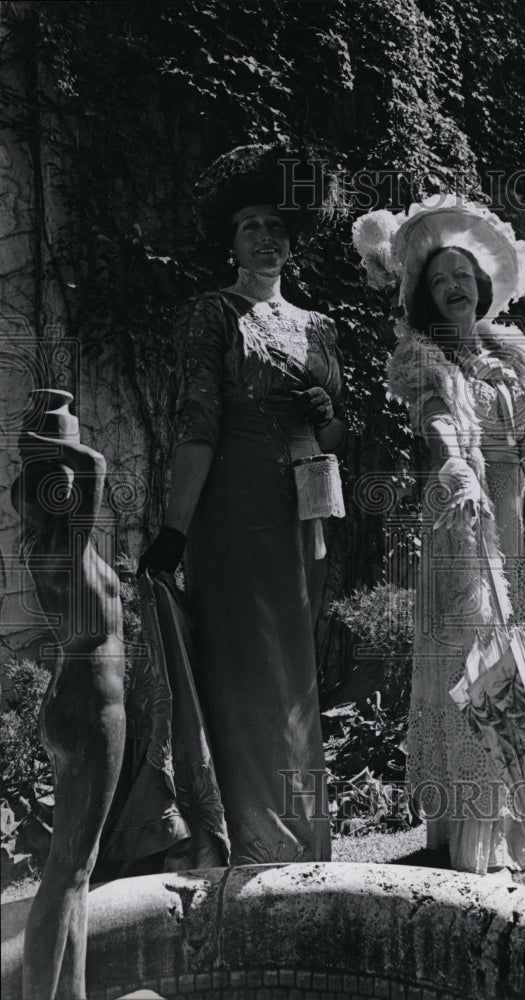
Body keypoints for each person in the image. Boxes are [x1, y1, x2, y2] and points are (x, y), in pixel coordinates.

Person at [353, 197, 525, 878]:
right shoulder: (423, 359)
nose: (455, 286)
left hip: (516, 517)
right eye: (440, 281)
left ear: (481, 285)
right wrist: (457, 464)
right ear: (426, 297)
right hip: (464, 516)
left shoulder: (511, 356)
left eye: (463, 275)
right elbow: (435, 420)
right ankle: (474, 830)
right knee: (475, 661)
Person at [138, 145, 345, 865]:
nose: (266, 236)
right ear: (229, 241)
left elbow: (336, 432)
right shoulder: (209, 315)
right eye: (251, 224)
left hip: (302, 513)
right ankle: (248, 836)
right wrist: (174, 530)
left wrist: (325, 412)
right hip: (232, 509)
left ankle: (301, 835)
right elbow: (197, 428)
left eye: (277, 225)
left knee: (294, 669)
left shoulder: (321, 328)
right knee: (243, 662)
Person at [11, 390, 126, 999]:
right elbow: (96, 467)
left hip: (70, 699)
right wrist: (57, 443)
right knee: (67, 872)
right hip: (91, 703)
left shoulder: (47, 542)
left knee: (78, 868)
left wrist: (40, 448)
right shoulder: (69, 539)